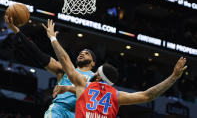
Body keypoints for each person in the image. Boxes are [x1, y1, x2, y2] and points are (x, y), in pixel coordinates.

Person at [43, 19, 187, 118]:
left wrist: (52, 39)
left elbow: (66, 61)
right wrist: (173, 77)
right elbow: (148, 95)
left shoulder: (83, 85)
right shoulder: (116, 95)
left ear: (98, 76)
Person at [4, 16, 96, 118]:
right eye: (81, 53)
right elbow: (38, 54)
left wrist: (69, 88)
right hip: (59, 110)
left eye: (87, 53)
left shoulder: (96, 78)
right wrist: (17, 31)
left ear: (93, 63)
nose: (82, 54)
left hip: (78, 113)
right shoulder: (64, 69)